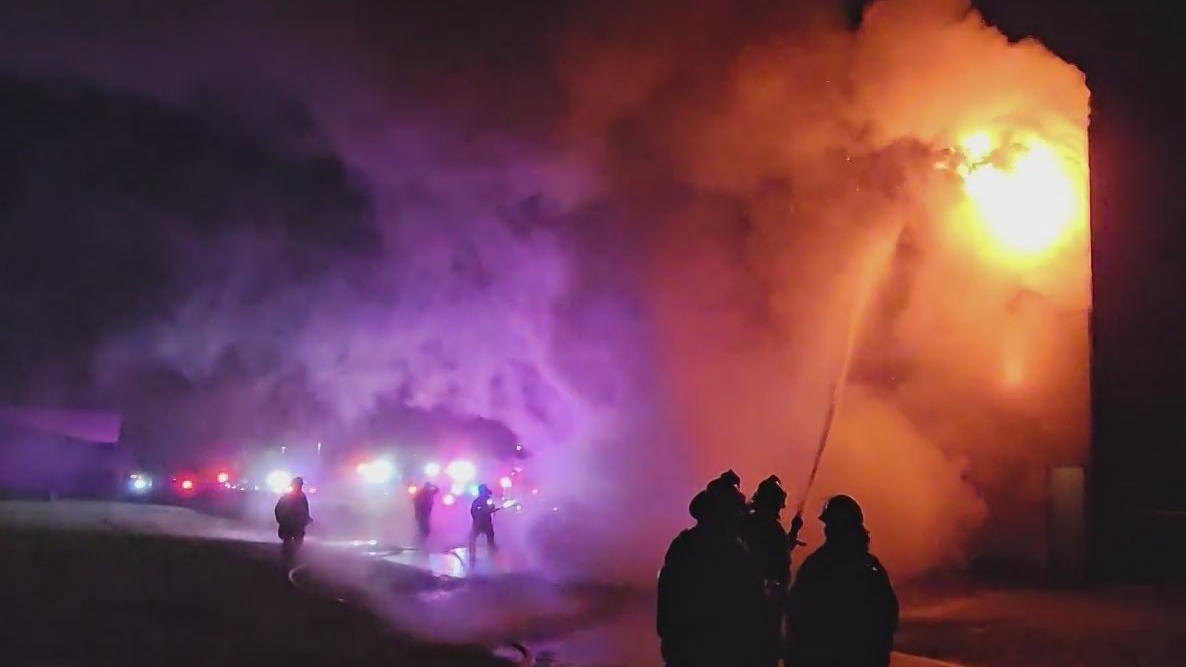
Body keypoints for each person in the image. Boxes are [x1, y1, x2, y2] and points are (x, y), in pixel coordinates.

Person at [657, 480, 768, 667]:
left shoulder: (683, 544)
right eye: (734, 512)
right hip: (715, 650)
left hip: (683, 648)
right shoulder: (734, 551)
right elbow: (749, 603)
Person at [784, 494, 899, 667]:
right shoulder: (817, 566)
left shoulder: (868, 569)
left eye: (836, 527)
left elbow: (886, 617)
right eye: (830, 526)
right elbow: (797, 615)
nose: (831, 531)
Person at [274, 476, 312, 564]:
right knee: (289, 544)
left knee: (295, 543)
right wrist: (282, 520)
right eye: (299, 485)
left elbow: (305, 510)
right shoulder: (289, 497)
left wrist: (306, 518)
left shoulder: (301, 497)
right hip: (289, 524)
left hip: (295, 525)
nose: (300, 487)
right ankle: (287, 560)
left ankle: (290, 559)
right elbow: (279, 509)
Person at [467, 484, 499, 561]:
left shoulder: (480, 500)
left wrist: (490, 510)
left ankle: (490, 553)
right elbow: (473, 511)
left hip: (483, 522)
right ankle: (489, 553)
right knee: (486, 538)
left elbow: (491, 508)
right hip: (482, 522)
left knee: (487, 538)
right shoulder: (482, 500)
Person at [412, 481, 439, 547]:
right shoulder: (422, 492)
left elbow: (437, 490)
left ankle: (421, 542)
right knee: (424, 528)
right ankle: (420, 543)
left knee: (424, 528)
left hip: (425, 513)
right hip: (422, 512)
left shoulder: (428, 492)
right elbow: (415, 501)